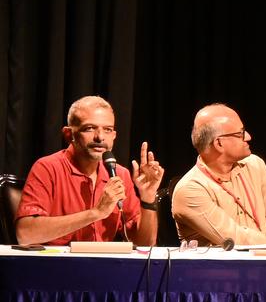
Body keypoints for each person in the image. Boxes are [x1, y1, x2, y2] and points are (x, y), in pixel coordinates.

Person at [15, 95, 163, 246]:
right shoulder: (47, 168)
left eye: (107, 130)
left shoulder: (120, 174)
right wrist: (96, 213)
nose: (100, 137)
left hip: (103, 267)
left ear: (114, 136)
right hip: (57, 266)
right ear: (69, 134)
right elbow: (26, 234)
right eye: (89, 128)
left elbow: (144, 244)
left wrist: (148, 198)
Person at [172, 104, 266, 246]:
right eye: (240, 133)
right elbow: (235, 241)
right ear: (219, 143)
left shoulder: (255, 165)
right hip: (219, 268)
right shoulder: (189, 190)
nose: (248, 137)